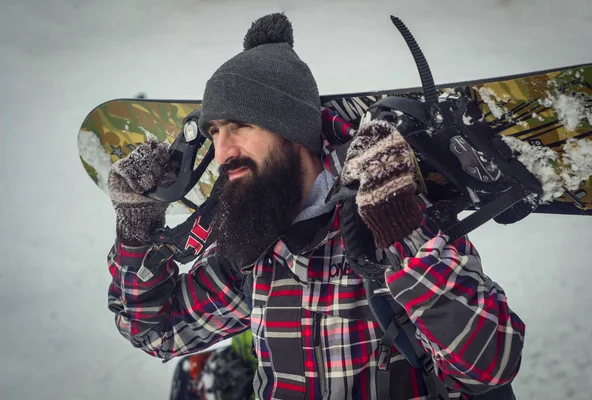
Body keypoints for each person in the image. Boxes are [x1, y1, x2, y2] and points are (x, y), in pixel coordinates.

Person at [106, 13, 525, 400]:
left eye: (239, 127)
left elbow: (490, 364)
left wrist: (398, 228)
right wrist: (135, 226)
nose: (221, 153)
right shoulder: (255, 241)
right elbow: (158, 332)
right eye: (215, 132)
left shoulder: (393, 211)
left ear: (292, 129)